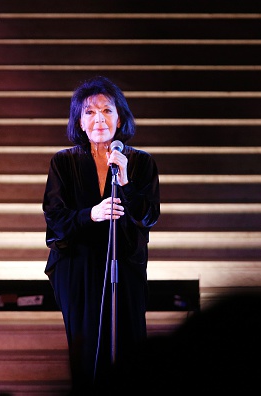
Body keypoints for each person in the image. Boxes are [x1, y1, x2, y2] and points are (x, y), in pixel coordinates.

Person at [42, 75, 161, 393]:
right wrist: (90, 215)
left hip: (125, 266)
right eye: (90, 112)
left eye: (107, 110)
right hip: (78, 269)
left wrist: (125, 182)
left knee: (128, 347)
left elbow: (149, 216)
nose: (99, 119)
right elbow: (54, 218)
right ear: (79, 121)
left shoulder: (141, 163)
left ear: (120, 117)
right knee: (86, 350)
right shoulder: (63, 162)